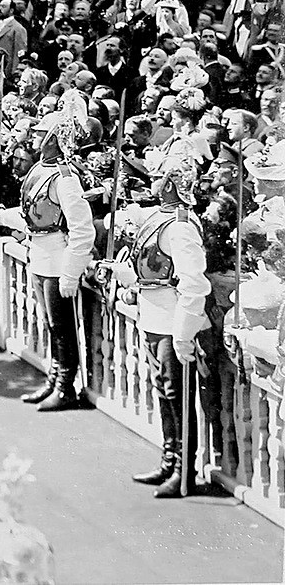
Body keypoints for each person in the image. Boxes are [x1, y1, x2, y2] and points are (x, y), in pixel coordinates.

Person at [104, 153, 211, 498]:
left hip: (171, 319)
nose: (151, 181)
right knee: (164, 392)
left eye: (158, 177)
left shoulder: (180, 227)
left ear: (168, 185)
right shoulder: (159, 218)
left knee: (176, 395)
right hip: (153, 315)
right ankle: (169, 459)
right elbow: (151, 268)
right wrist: (128, 276)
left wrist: (183, 333)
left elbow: (194, 283)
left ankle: (184, 471)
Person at [0, 91, 96, 411]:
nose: (34, 138)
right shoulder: (39, 170)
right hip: (39, 251)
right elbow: (33, 214)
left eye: (40, 135)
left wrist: (71, 270)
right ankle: (54, 379)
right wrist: (3, 215)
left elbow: (82, 228)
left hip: (57, 255)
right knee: (51, 324)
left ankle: (65, 386)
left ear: (53, 140)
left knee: (62, 327)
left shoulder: (64, 178)